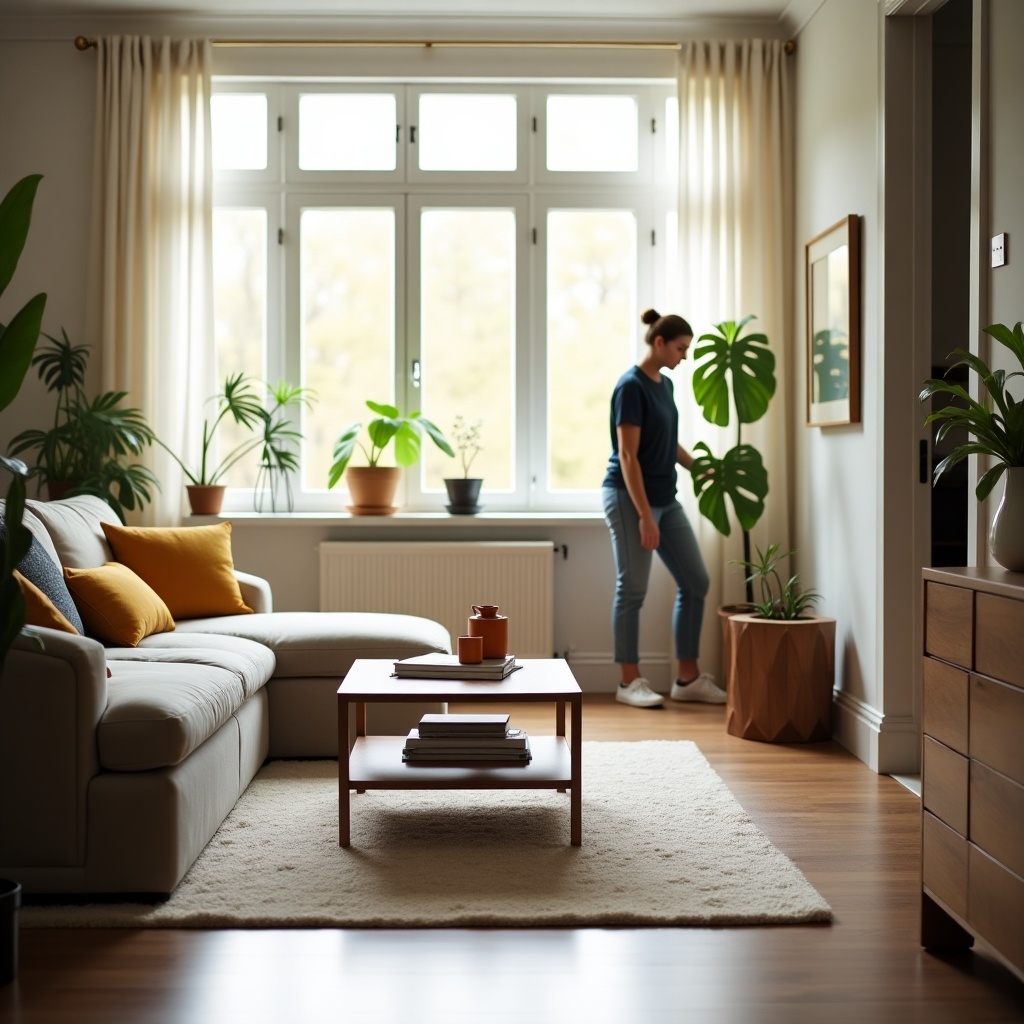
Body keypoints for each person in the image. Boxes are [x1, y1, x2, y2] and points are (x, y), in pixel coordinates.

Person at [602, 308, 727, 709]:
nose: (684, 356)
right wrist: (643, 515)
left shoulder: (665, 386)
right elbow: (628, 455)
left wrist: (697, 467)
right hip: (628, 497)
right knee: (633, 589)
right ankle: (628, 681)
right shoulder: (631, 387)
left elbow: (667, 443)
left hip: (665, 498)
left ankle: (687, 679)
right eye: (680, 348)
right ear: (659, 343)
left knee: (696, 581)